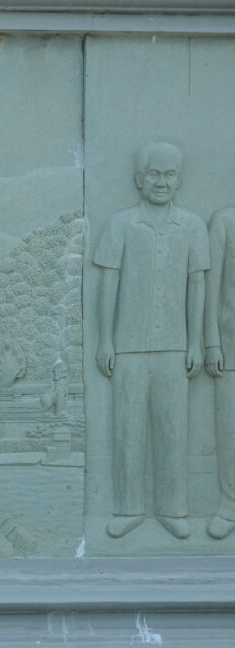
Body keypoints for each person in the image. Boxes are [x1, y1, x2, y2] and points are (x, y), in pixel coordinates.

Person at [93, 142, 208, 540]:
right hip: (127, 347)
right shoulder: (121, 224)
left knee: (172, 431)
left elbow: (197, 286)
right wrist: (105, 340)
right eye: (154, 174)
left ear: (179, 179)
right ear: (139, 180)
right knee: (127, 430)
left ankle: (172, 509)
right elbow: (108, 283)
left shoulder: (193, 226)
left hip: (174, 347)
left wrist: (195, 343)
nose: (162, 182)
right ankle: (128, 509)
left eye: (169, 174)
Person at [205, 206, 235, 539]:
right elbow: (211, 286)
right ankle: (230, 505)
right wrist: (211, 342)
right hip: (231, 348)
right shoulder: (225, 222)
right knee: (230, 432)